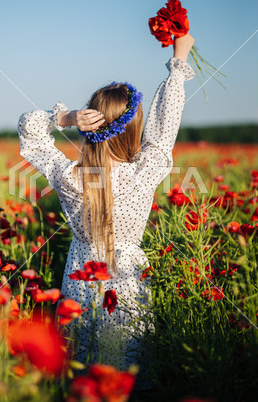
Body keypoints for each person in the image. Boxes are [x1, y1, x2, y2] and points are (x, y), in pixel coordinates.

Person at [17, 34, 195, 383]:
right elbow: (164, 126)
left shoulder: (70, 176)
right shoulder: (146, 171)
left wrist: (66, 118)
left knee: (81, 370)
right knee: (124, 371)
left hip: (80, 280)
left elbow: (28, 129)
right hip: (126, 282)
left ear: (89, 125)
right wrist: (179, 61)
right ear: (133, 130)